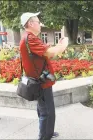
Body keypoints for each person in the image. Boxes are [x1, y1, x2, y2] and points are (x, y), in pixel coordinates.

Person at [20, 12, 68, 140]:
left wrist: (58, 46)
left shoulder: (30, 37)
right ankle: (43, 137)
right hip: (41, 82)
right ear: (30, 23)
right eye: (37, 21)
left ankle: (49, 133)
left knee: (45, 110)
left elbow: (45, 52)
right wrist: (64, 45)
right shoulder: (30, 38)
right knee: (46, 112)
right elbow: (50, 53)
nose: (40, 23)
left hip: (40, 80)